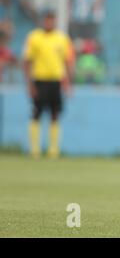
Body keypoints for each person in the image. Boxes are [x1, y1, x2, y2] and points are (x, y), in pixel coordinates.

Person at [22, 11, 74, 160]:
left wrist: (68, 82)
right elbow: (27, 61)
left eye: (52, 20)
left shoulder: (62, 38)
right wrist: (29, 84)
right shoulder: (34, 37)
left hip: (56, 81)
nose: (49, 23)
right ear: (43, 21)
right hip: (39, 80)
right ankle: (34, 150)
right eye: (47, 20)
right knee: (36, 114)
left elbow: (67, 61)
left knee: (55, 115)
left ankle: (53, 151)